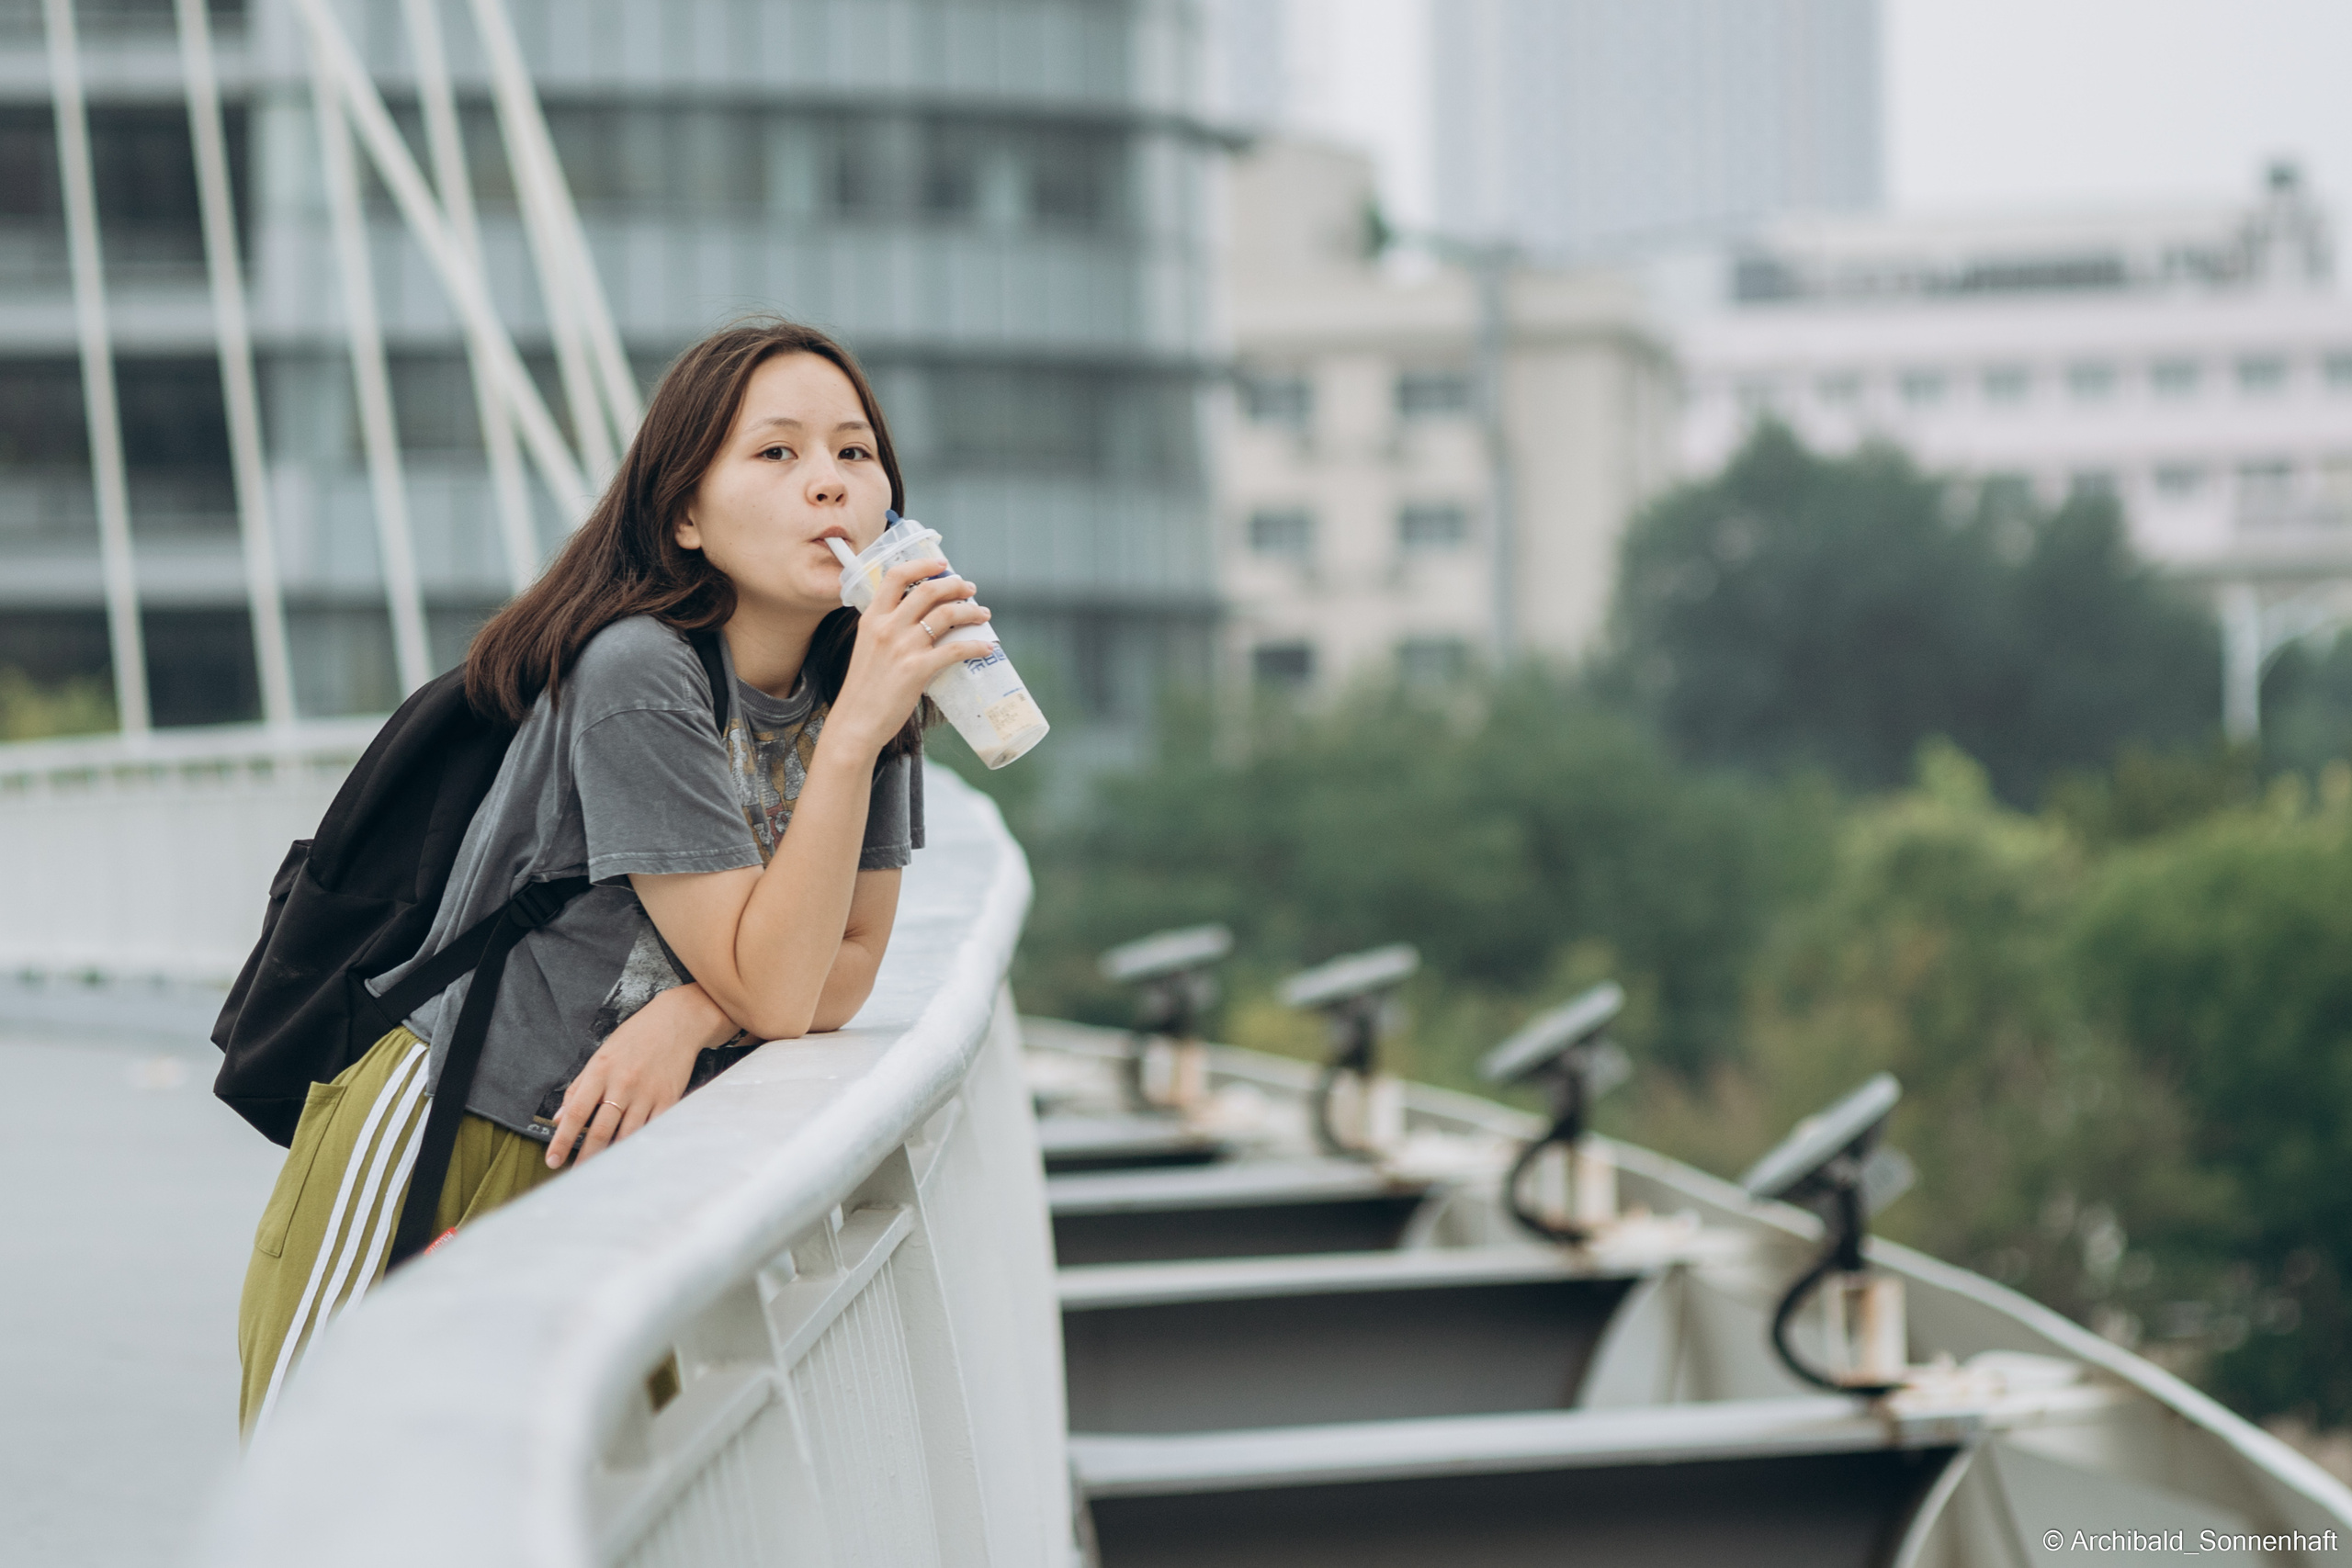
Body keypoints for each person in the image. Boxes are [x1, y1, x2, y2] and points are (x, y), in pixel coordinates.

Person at [236, 319, 988, 1435]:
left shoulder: (858, 682)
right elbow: (784, 990)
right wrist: (851, 742)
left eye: (853, 452)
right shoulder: (640, 670)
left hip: (622, 1157)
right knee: (319, 1466)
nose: (826, 485)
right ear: (684, 514)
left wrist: (692, 1011)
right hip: (450, 1120)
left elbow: (850, 963)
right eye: (775, 454)